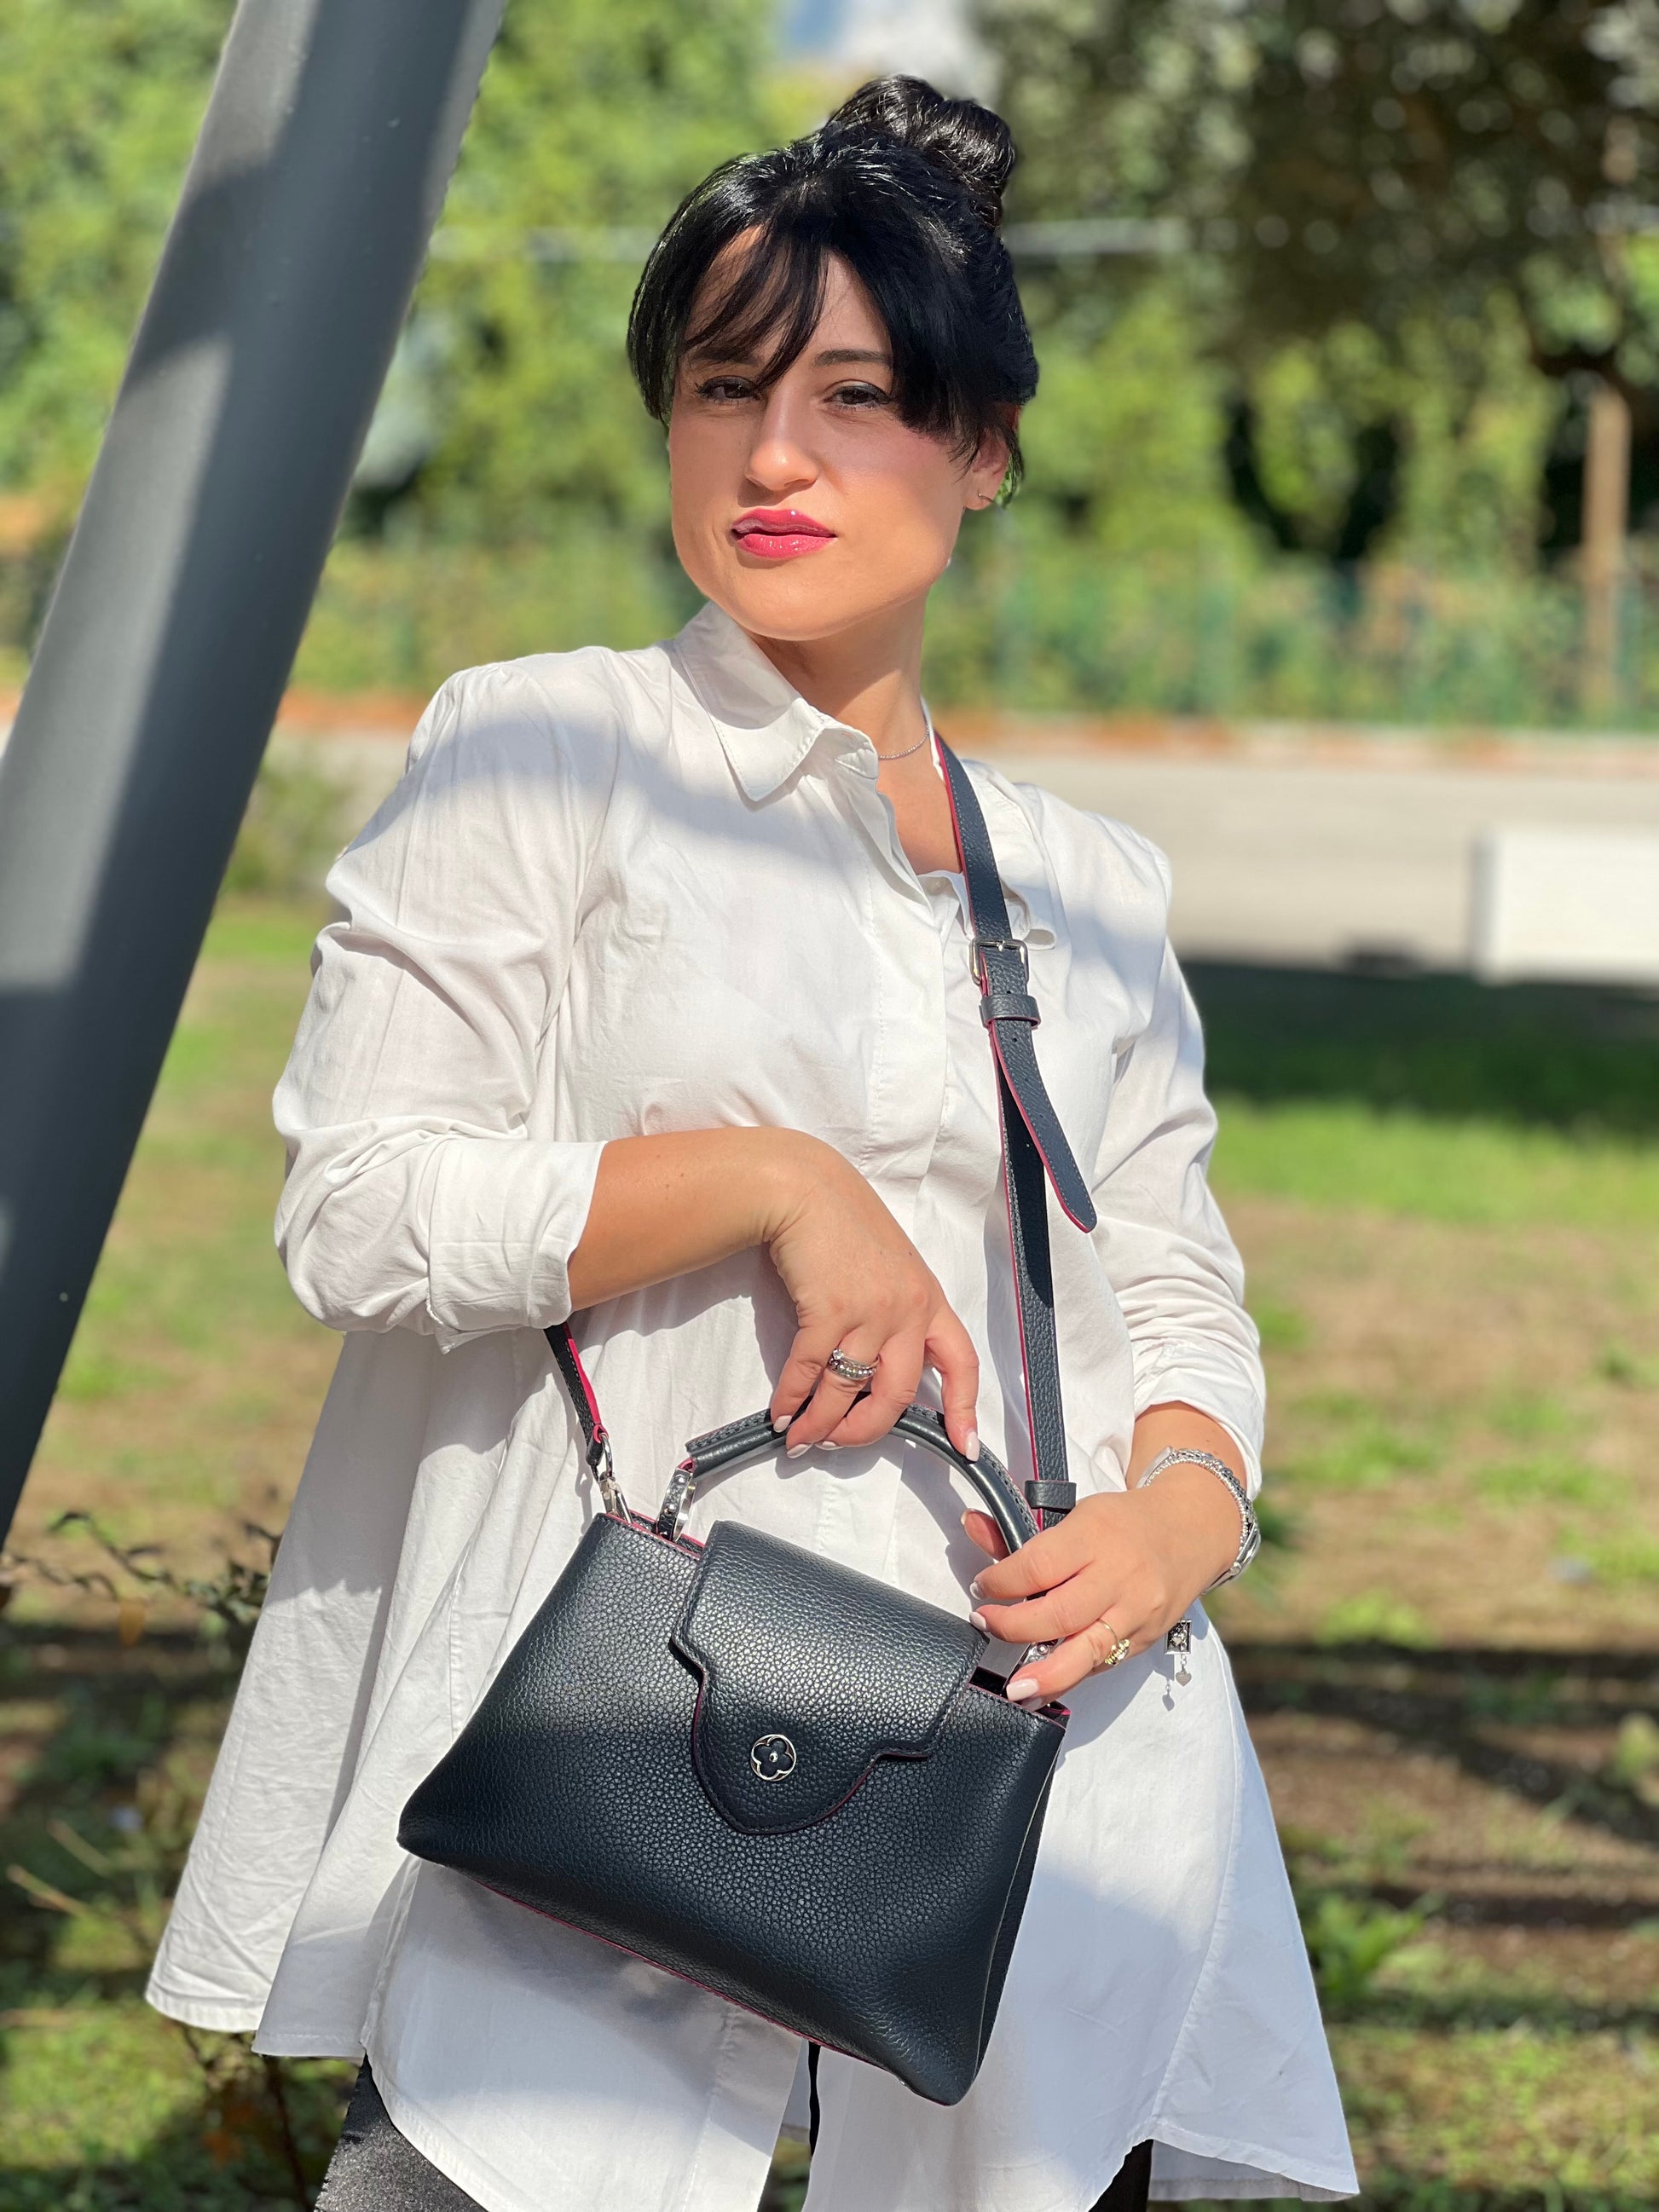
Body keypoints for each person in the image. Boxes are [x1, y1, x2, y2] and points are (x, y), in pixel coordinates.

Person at [147, 75, 1357, 2212]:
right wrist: (778, 1181)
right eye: (723, 386)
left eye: (855, 397)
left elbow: (1167, 1275)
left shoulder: (1088, 882)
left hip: (1028, 1733)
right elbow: (359, 1206)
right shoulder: (545, 745)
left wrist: (1187, 1506)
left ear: (983, 447)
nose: (773, 455)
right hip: (621, 1712)